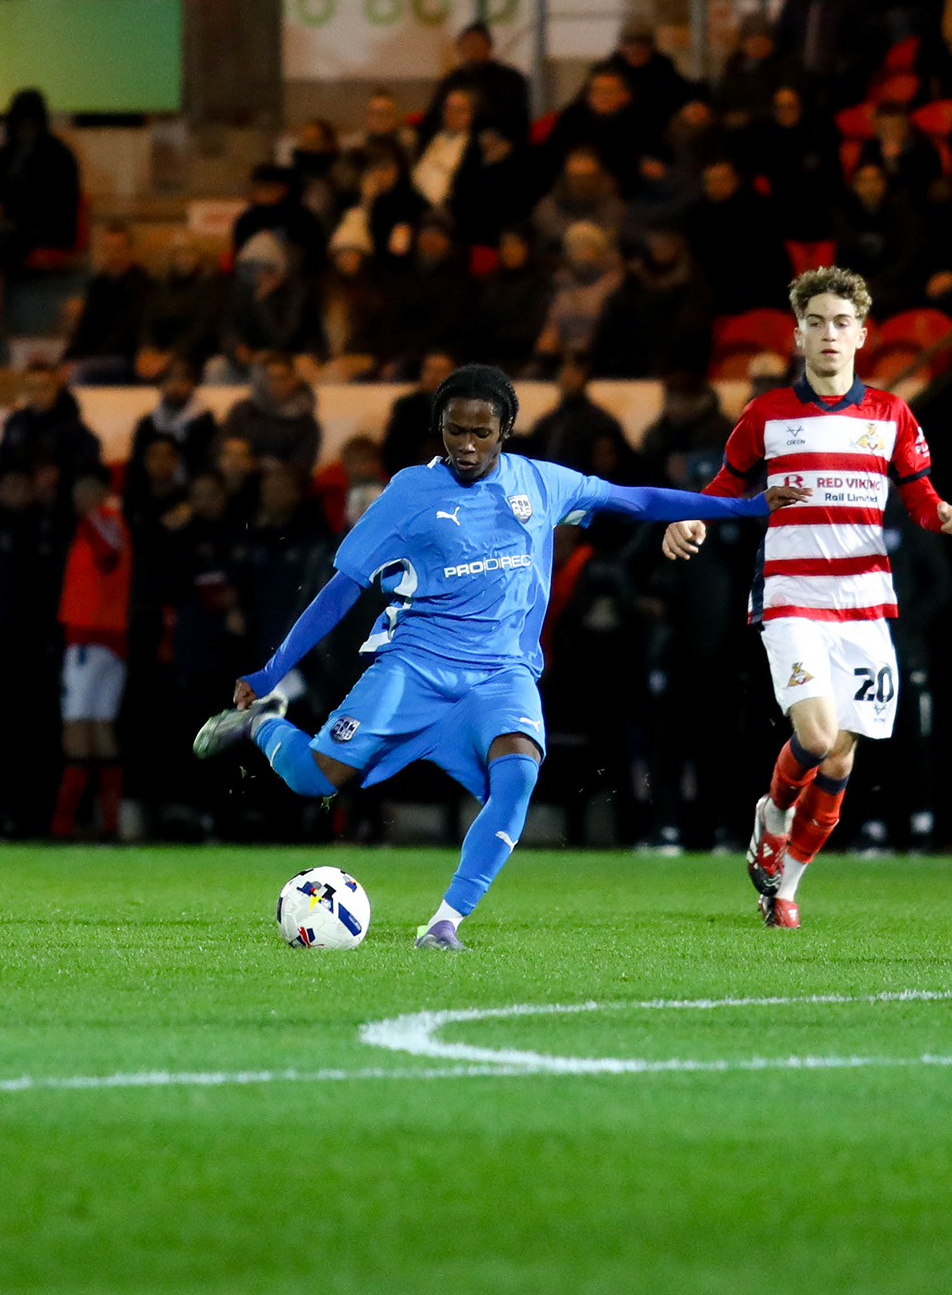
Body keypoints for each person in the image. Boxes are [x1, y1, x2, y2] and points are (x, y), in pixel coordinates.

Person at [190, 367, 794, 949]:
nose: (468, 445)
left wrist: (745, 507)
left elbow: (633, 500)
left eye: (482, 432)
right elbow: (339, 590)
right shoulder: (409, 494)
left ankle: (445, 923)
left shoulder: (539, 482)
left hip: (502, 675)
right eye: (456, 431)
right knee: (314, 778)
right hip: (414, 669)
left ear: (505, 429)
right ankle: (265, 722)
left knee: (520, 771)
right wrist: (269, 672)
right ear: (441, 428)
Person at [663, 264, 952, 929]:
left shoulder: (890, 413)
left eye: (841, 323)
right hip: (791, 593)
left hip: (865, 601)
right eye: (815, 322)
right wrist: (690, 515)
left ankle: (786, 889)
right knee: (817, 732)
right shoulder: (767, 414)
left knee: (840, 755)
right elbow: (725, 485)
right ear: (798, 336)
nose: (829, 334)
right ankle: (770, 817)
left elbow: (917, 495)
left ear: (862, 335)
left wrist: (944, 513)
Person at [52, 467, 132, 840]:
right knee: (101, 729)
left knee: (77, 728)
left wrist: (88, 521)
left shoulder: (100, 521)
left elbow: (108, 555)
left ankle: (63, 825)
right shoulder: (110, 521)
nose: (78, 496)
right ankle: (110, 824)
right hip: (111, 642)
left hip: (89, 640)